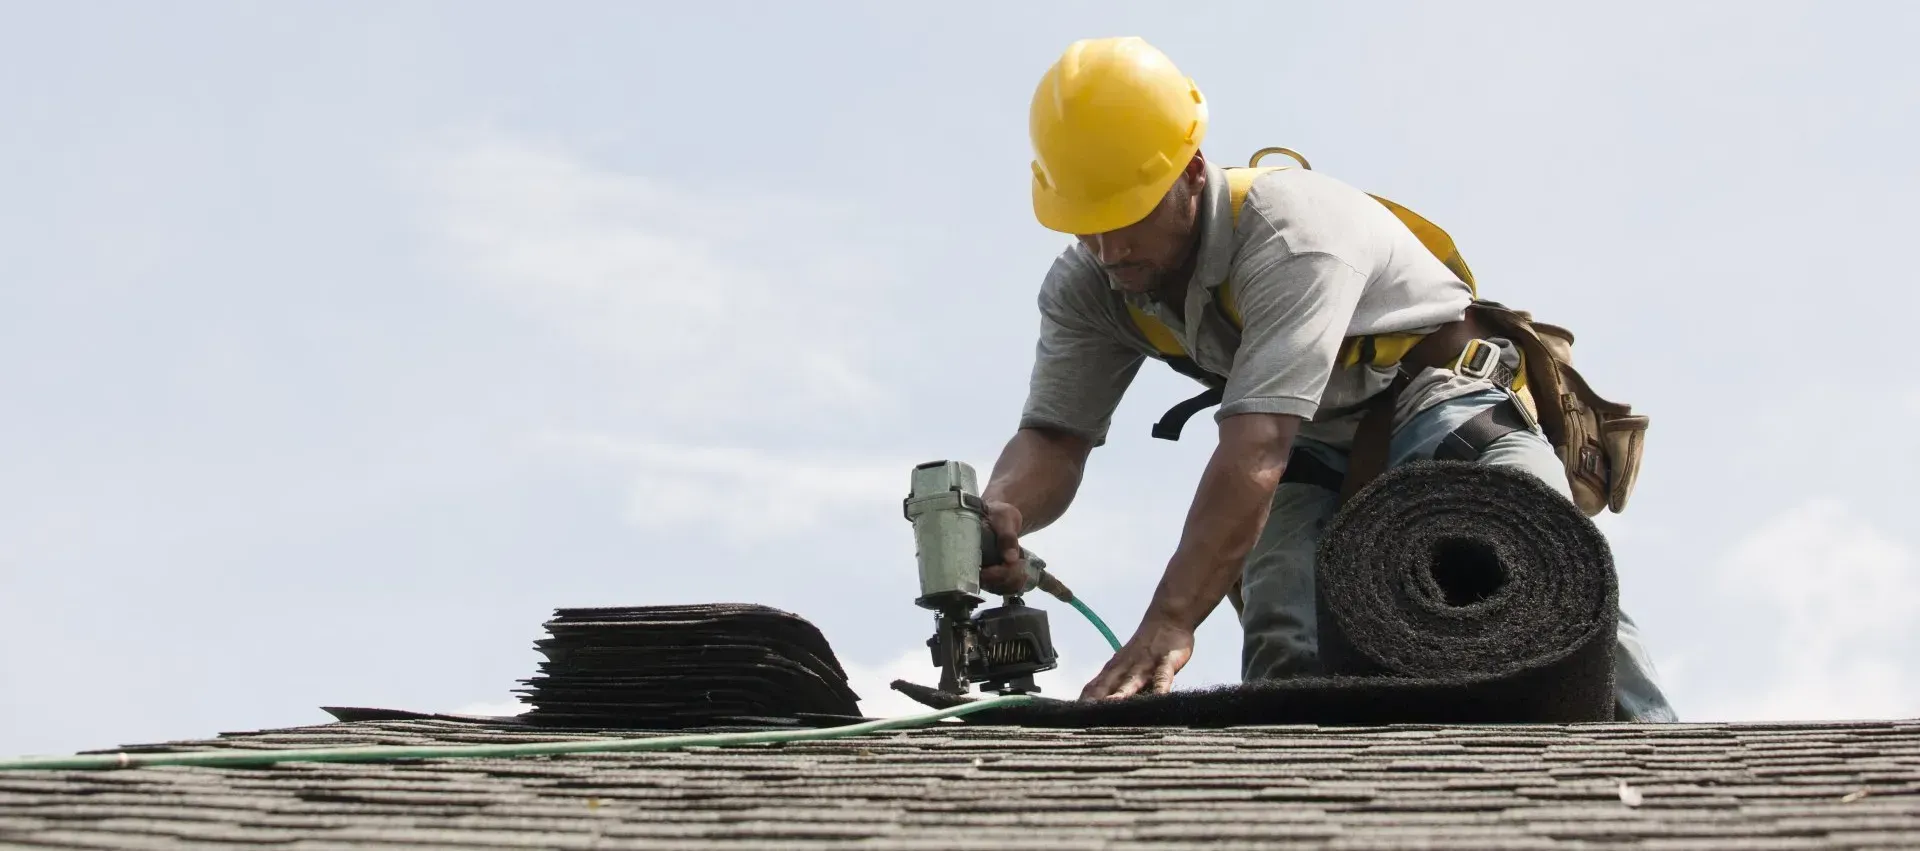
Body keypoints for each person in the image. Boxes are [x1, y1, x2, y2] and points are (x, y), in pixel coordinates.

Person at [975, 36, 1677, 722]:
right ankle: (1306, 807)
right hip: (1313, 434)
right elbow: (1054, 437)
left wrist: (1169, 620)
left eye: (1128, 216)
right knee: (1285, 624)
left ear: (1191, 171)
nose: (1108, 249)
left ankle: (1660, 757)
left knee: (1559, 577)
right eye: (1085, 226)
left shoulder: (1289, 234)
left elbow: (1257, 445)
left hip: (1446, 398)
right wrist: (1004, 507)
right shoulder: (1090, 284)